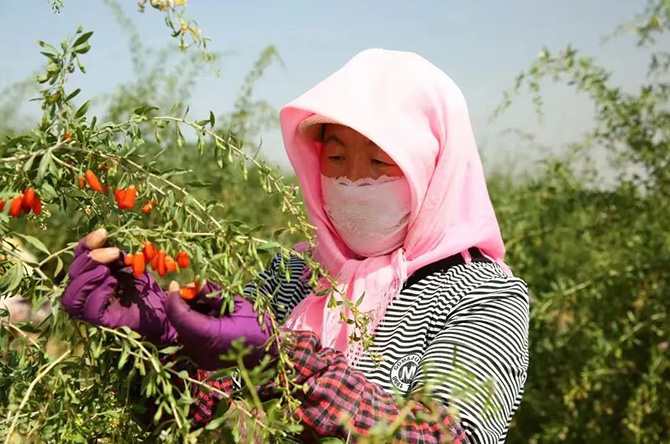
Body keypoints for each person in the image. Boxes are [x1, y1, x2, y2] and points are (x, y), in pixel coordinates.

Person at [62, 49, 530, 444]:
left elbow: (450, 434)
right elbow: (186, 407)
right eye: (338, 157)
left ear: (432, 170)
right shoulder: (294, 274)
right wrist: (154, 335)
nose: (351, 180)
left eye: (380, 162)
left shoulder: (485, 295)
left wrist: (285, 359)